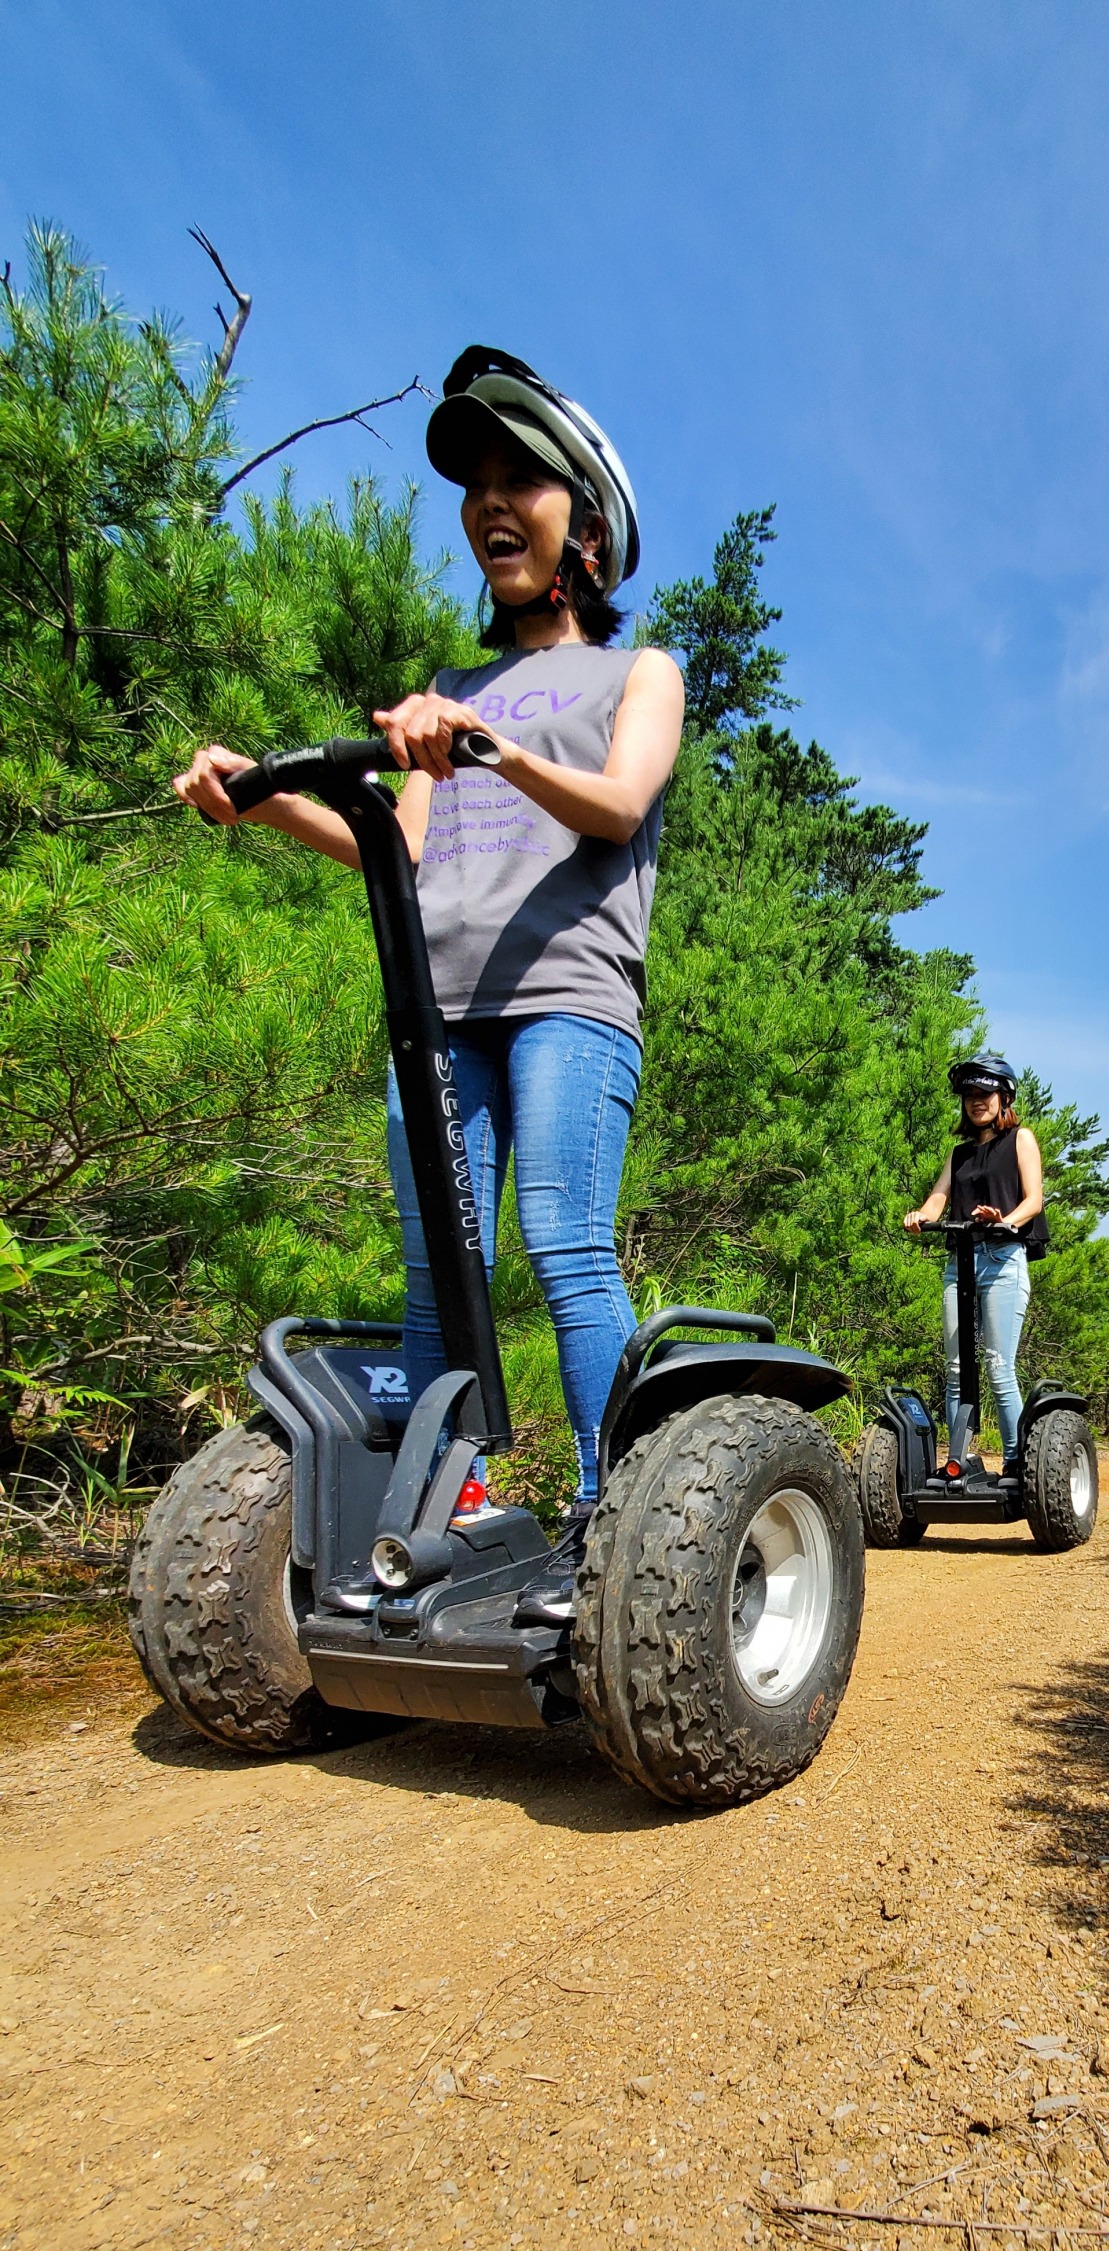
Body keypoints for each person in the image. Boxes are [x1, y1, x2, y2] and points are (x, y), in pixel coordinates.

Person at [173, 347, 685, 1626]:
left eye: (523, 480)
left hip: (568, 996)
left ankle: (607, 1512)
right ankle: (431, 1522)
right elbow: (397, 855)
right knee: (429, 1268)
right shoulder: (446, 691)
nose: (491, 503)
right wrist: (269, 798)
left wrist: (494, 748)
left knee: (562, 1244)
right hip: (436, 1007)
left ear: (590, 523)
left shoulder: (640, 674)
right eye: (476, 487)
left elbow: (618, 807)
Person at [902, 1055, 1047, 1468]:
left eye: (985, 1094)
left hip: (1003, 1260)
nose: (976, 1101)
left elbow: (1033, 1200)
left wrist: (1006, 1222)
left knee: (999, 1367)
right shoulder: (960, 1153)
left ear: (1004, 1098)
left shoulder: (1021, 1139)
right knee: (956, 1369)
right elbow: (937, 1199)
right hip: (961, 1263)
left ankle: (1017, 1463)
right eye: (969, 1095)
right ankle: (959, 1460)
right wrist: (921, 1216)